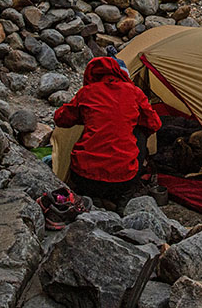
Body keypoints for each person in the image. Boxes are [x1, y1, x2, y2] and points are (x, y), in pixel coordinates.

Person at [54, 56, 161, 207]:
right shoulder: (134, 93)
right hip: (123, 179)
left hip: (84, 177)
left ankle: (93, 198)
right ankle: (121, 200)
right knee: (140, 132)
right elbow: (154, 123)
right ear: (122, 73)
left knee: (90, 133)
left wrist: (89, 115)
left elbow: (60, 118)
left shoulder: (87, 92)